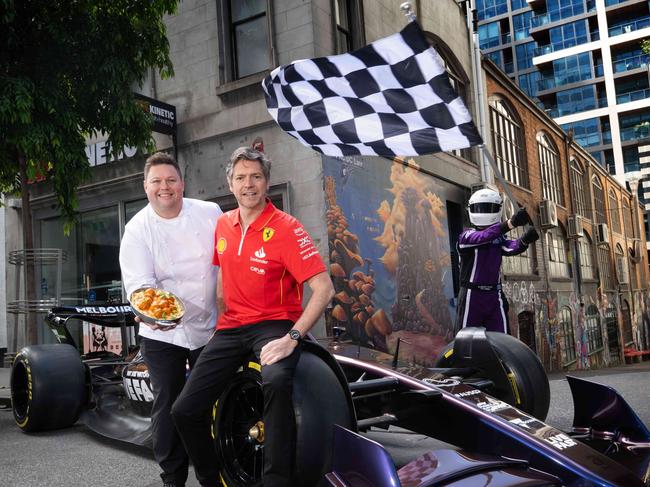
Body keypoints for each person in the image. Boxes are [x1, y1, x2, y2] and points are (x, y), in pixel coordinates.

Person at [171, 147, 334, 487]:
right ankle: (211, 480)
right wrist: (218, 329)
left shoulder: (287, 228)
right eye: (241, 177)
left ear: (267, 182)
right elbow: (220, 285)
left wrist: (293, 337)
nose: (249, 184)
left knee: (275, 381)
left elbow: (324, 289)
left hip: (274, 325)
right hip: (231, 328)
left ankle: (276, 482)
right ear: (230, 184)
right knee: (184, 409)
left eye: (256, 177)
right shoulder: (222, 225)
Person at [119, 152, 222, 487]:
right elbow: (139, 287)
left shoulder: (209, 213)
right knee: (168, 404)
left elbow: (228, 262)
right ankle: (173, 478)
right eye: (157, 182)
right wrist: (151, 315)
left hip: (211, 325)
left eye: (171, 180)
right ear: (145, 187)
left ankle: (218, 470)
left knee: (210, 401)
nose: (165, 188)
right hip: (163, 334)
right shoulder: (136, 229)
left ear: (183, 183)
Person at [454, 188, 539, 335]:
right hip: (471, 295)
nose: (483, 212)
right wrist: (510, 223)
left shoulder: (498, 237)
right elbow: (483, 237)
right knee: (465, 340)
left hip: (494, 295)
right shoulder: (466, 236)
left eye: (488, 208)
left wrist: (525, 240)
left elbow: (510, 248)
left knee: (503, 339)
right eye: (480, 208)